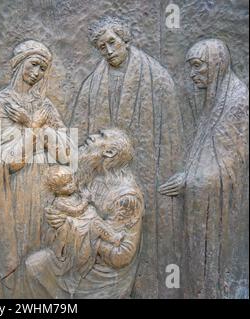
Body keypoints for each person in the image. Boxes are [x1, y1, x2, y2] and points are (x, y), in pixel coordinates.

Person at [69, 16, 184, 297]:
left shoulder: (157, 79)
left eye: (112, 42)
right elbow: (79, 133)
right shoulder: (91, 84)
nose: (108, 50)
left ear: (125, 40)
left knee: (147, 249)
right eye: (101, 46)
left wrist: (179, 171)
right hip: (105, 182)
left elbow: (172, 135)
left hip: (147, 178)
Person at [0, 40, 70, 298]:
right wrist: (36, 129)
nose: (37, 72)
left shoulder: (45, 106)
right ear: (19, 64)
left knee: (40, 253)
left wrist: (32, 124)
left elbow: (65, 153)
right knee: (19, 254)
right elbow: (12, 161)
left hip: (45, 191)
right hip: (13, 193)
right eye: (33, 64)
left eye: (43, 68)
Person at [159, 39, 249, 298]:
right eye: (190, 68)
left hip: (218, 208)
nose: (192, 74)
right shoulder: (214, 99)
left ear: (217, 65)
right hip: (200, 202)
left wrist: (189, 181)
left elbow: (232, 164)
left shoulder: (236, 102)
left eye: (198, 67)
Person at [25, 129, 144, 299]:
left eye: (101, 136)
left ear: (109, 153)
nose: (92, 136)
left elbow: (121, 256)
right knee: (34, 265)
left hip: (101, 275)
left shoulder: (126, 197)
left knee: (37, 266)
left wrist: (76, 230)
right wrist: (59, 221)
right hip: (76, 259)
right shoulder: (92, 176)